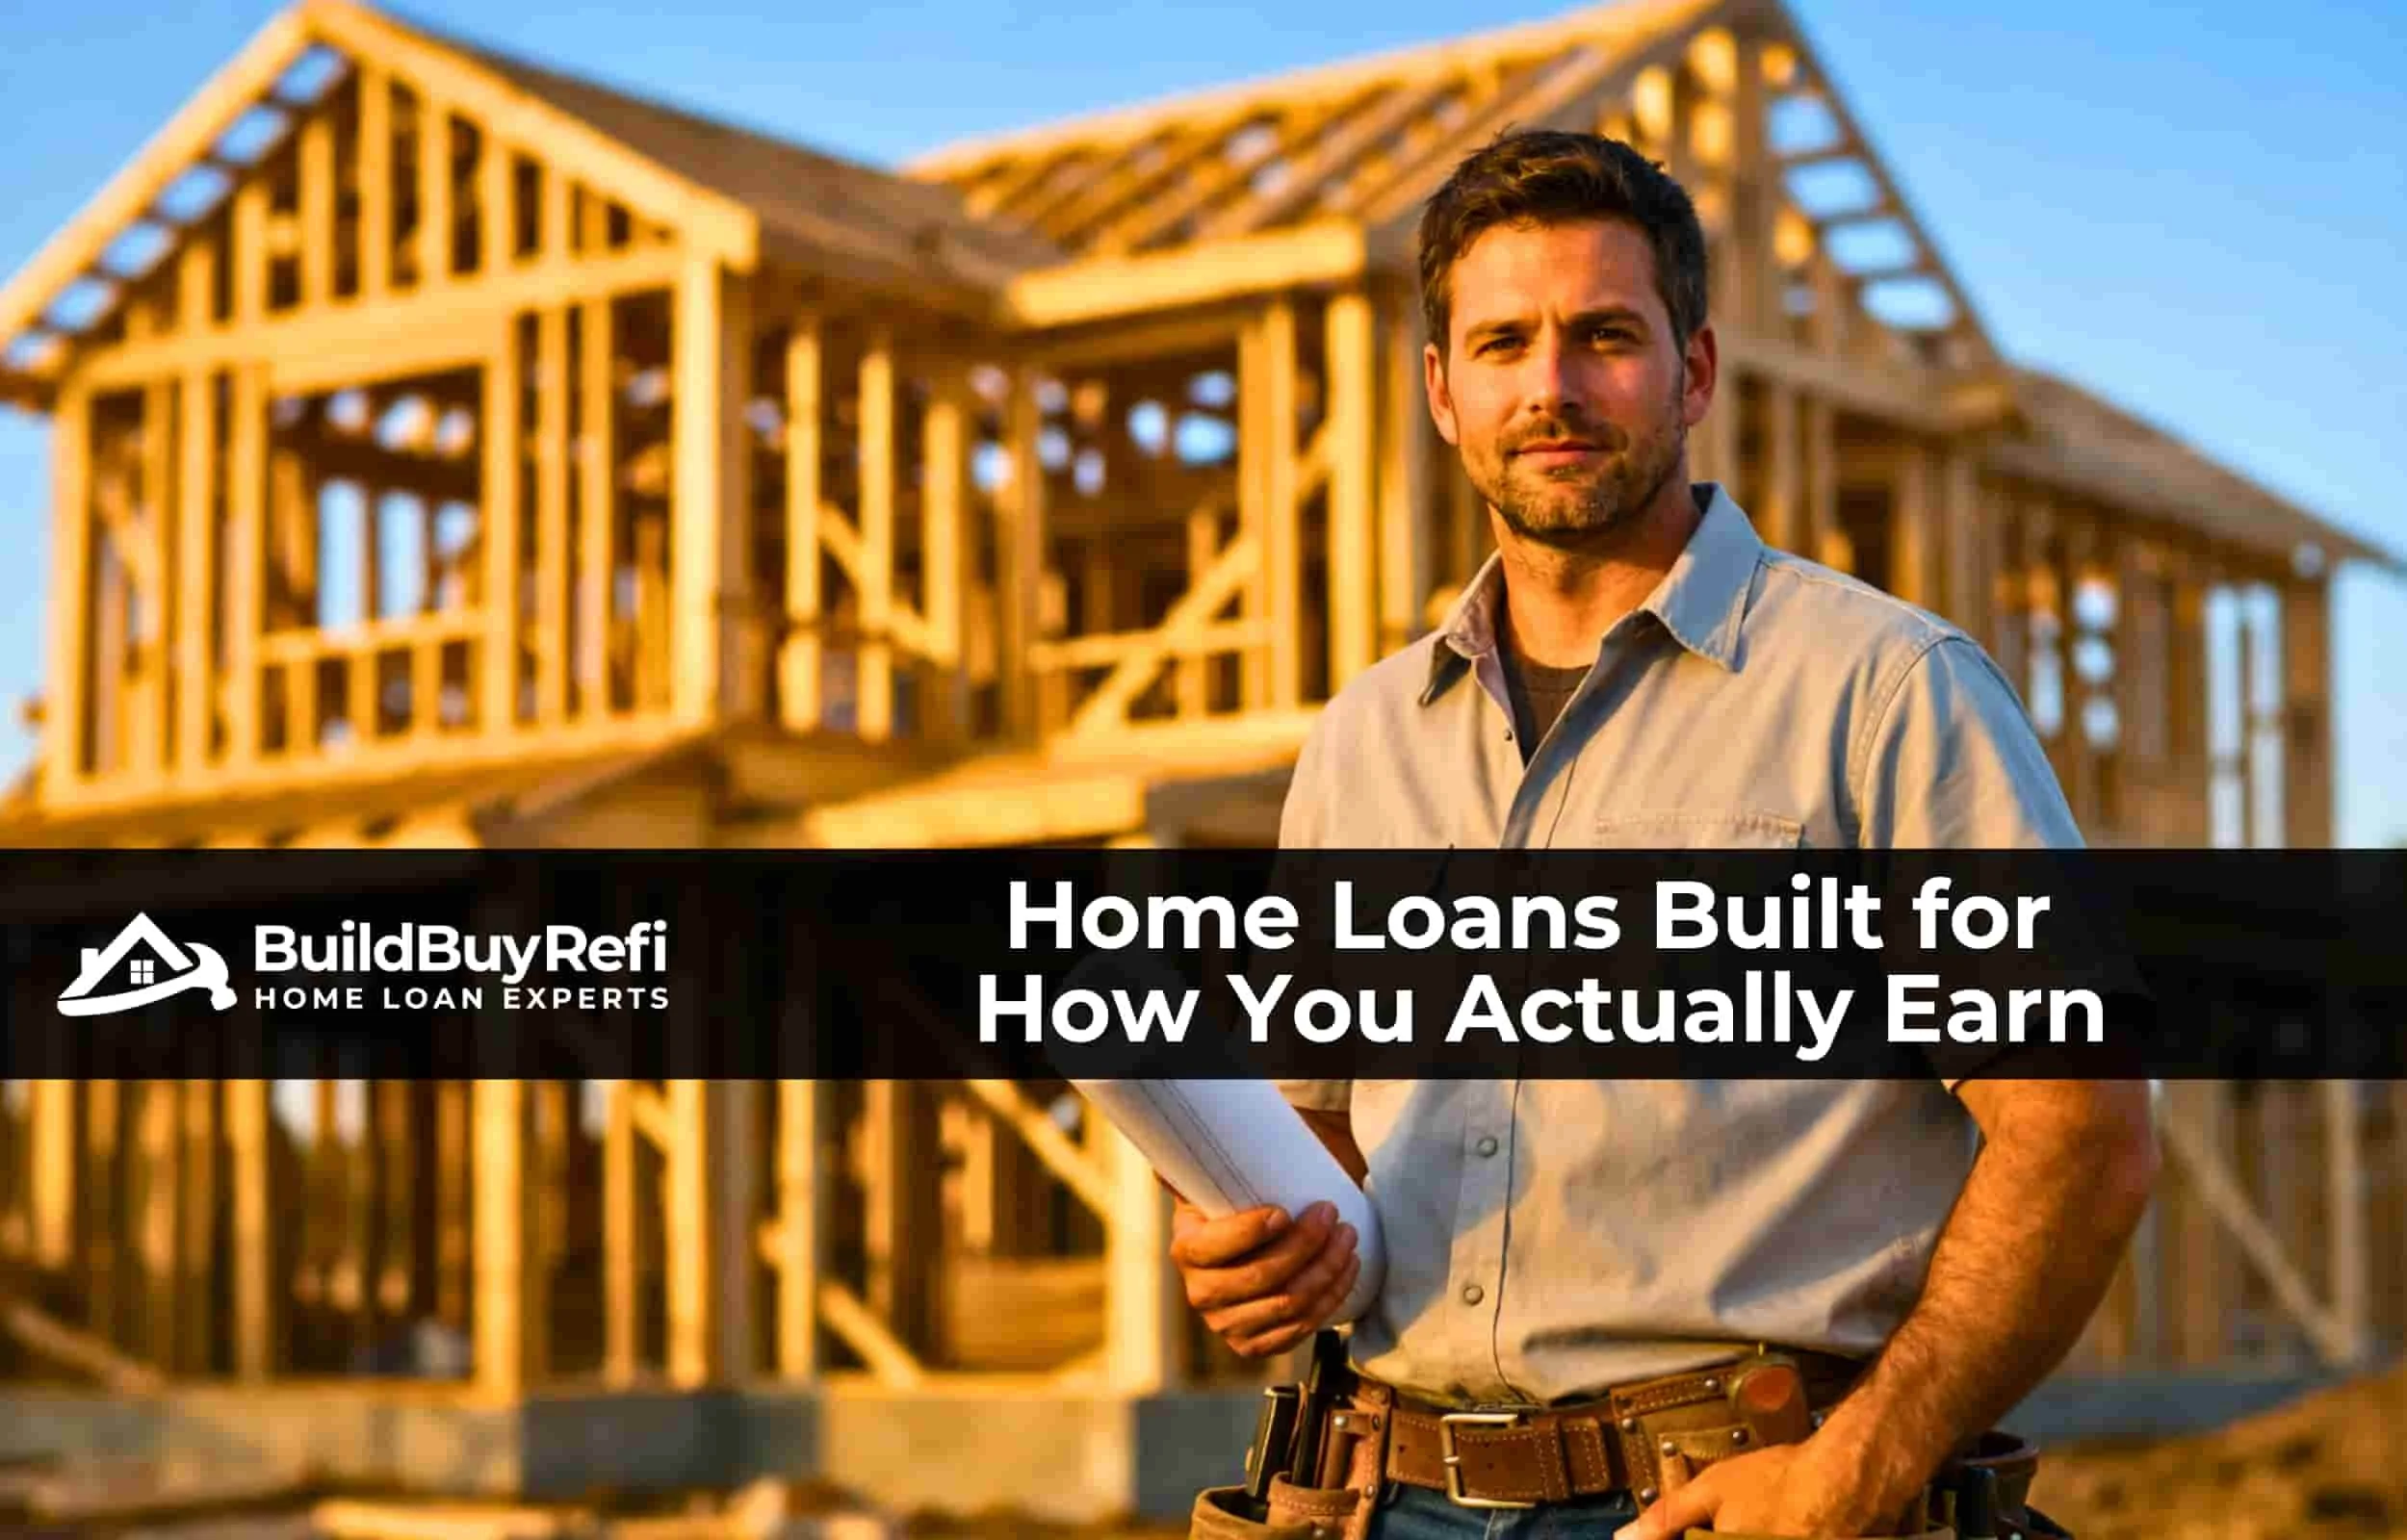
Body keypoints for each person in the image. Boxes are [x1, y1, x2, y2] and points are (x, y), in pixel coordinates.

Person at [1171, 130, 2159, 1540]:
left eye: (1605, 337)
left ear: (1692, 371)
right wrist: (1256, 1251)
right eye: (1503, 344)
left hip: (1724, 1503)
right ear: (1444, 394)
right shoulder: (1364, 741)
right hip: (1379, 1495)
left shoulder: (1882, 693)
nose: (1553, 388)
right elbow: (1322, 1132)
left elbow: (2082, 1131)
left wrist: (1858, 1469)